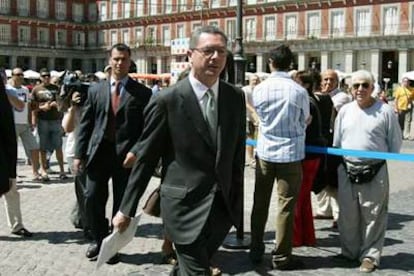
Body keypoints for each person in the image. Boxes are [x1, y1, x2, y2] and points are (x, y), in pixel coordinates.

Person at [112, 26, 246, 275]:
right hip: (183, 209)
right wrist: (126, 209)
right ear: (190, 55)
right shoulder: (167, 100)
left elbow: (236, 156)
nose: (215, 57)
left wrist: (236, 203)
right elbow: (146, 158)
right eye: (208, 51)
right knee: (198, 271)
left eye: (221, 51)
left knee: (187, 269)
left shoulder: (235, 97)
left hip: (220, 211)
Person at [74, 43, 152, 263]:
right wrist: (79, 154)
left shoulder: (142, 93)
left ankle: (112, 246)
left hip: (126, 159)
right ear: (110, 61)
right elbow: (86, 125)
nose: (119, 63)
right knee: (92, 197)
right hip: (98, 153)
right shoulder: (95, 90)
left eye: (124, 59)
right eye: (116, 59)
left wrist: (136, 151)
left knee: (121, 203)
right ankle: (99, 240)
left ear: (130, 62)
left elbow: (148, 129)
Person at [333, 70, 402, 273]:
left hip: (374, 171)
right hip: (347, 169)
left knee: (373, 216)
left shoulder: (385, 111)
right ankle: (349, 253)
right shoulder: (345, 111)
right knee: (347, 215)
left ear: (372, 87)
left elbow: (394, 145)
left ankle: (370, 256)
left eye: (365, 85)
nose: (360, 89)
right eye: (356, 86)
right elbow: (337, 142)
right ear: (350, 89)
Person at [250, 45, 310, 270]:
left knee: (260, 202)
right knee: (286, 206)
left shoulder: (260, 89)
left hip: (265, 151)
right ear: (291, 64)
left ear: (270, 63)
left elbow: (259, 114)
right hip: (291, 153)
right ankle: (282, 256)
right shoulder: (299, 91)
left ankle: (256, 249)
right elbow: (305, 118)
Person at [313, 69, 351, 228]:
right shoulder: (319, 95)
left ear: (337, 82)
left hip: (335, 142)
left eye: (331, 80)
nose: (328, 83)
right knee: (321, 176)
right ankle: (324, 210)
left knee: (334, 179)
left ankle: (339, 214)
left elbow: (329, 108)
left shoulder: (342, 96)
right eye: (325, 80)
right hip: (322, 142)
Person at [292, 70, 326, 247]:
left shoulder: (306, 102)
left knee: (297, 196)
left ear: (305, 85)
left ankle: (296, 237)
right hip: (313, 153)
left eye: (296, 82)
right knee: (303, 197)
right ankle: (307, 236)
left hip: (307, 154)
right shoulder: (313, 100)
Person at [0, 71, 33, 237]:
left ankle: (17, 225)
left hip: (5, 146)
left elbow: (20, 106)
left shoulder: (6, 92)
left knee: (11, 187)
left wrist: (6, 92)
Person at [6, 67, 44, 181]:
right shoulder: (7, 89)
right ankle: (13, 174)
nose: (21, 77)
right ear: (12, 76)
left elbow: (27, 106)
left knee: (34, 147)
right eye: (18, 74)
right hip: (12, 123)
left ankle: (35, 172)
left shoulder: (25, 89)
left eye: (22, 74)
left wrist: (30, 122)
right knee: (12, 151)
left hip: (24, 124)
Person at [62, 91, 90, 238]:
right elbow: (67, 128)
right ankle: (87, 223)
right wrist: (73, 107)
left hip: (90, 152)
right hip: (74, 153)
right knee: (83, 189)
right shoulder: (70, 110)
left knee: (85, 190)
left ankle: (78, 217)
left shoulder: (92, 107)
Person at [31, 68, 66, 181]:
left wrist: (58, 104)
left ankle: (62, 170)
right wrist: (42, 108)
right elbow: (32, 107)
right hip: (43, 120)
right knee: (43, 147)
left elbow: (63, 104)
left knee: (58, 146)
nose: (46, 78)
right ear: (40, 77)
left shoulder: (56, 88)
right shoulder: (36, 89)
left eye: (48, 76)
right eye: (44, 76)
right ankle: (44, 170)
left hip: (55, 120)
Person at [242, 74, 260, 167]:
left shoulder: (260, 90)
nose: (255, 81)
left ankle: (255, 157)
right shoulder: (246, 90)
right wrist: (254, 113)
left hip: (258, 118)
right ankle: (250, 159)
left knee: (257, 138)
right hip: (248, 117)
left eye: (257, 80)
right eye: (253, 80)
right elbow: (246, 103)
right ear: (249, 81)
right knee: (250, 137)